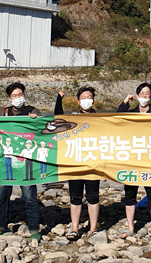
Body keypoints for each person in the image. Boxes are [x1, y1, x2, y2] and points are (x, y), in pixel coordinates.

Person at [0, 82, 42, 240]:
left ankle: (34, 229)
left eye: (21, 95)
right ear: (9, 99)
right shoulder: (3, 112)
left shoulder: (32, 111)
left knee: (30, 197)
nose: (18, 98)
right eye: (15, 96)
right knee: (2, 195)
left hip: (26, 161)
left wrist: (36, 120)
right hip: (6, 162)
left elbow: (43, 129)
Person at [117, 82, 151, 238]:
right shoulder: (131, 113)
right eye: (142, 93)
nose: (144, 96)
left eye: (147, 93)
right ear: (136, 96)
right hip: (132, 159)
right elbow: (117, 117)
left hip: (150, 160)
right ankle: (130, 227)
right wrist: (125, 102)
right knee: (130, 194)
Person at [54, 87, 101, 241]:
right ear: (78, 101)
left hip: (93, 162)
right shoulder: (73, 117)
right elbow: (58, 119)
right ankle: (75, 228)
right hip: (75, 162)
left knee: (93, 196)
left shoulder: (102, 118)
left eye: (89, 97)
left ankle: (93, 228)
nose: (87, 100)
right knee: (75, 196)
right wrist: (59, 99)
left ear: (93, 100)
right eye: (83, 97)